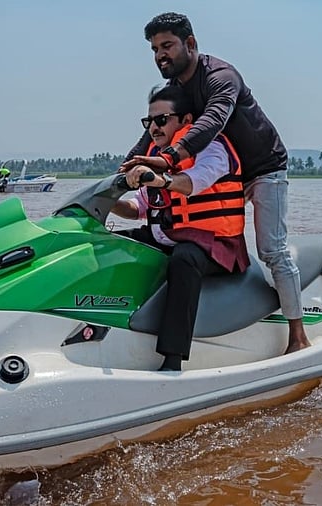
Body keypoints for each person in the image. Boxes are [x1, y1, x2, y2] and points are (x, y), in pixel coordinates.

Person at [121, 12, 311, 354]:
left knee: (272, 250)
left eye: (167, 46)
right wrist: (121, 174)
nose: (160, 55)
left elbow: (212, 121)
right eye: (154, 49)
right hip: (221, 171)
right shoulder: (176, 90)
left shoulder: (221, 77)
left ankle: (298, 336)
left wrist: (169, 158)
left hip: (262, 168)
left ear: (190, 44)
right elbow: (147, 136)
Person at [113, 85, 247, 371]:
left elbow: (194, 181)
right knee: (111, 245)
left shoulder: (212, 148)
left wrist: (160, 180)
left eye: (161, 120)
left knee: (184, 258)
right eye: (149, 122)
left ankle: (172, 360)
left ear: (186, 120)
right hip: (167, 236)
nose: (154, 128)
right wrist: (106, 201)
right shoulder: (153, 154)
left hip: (216, 244)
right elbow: (139, 208)